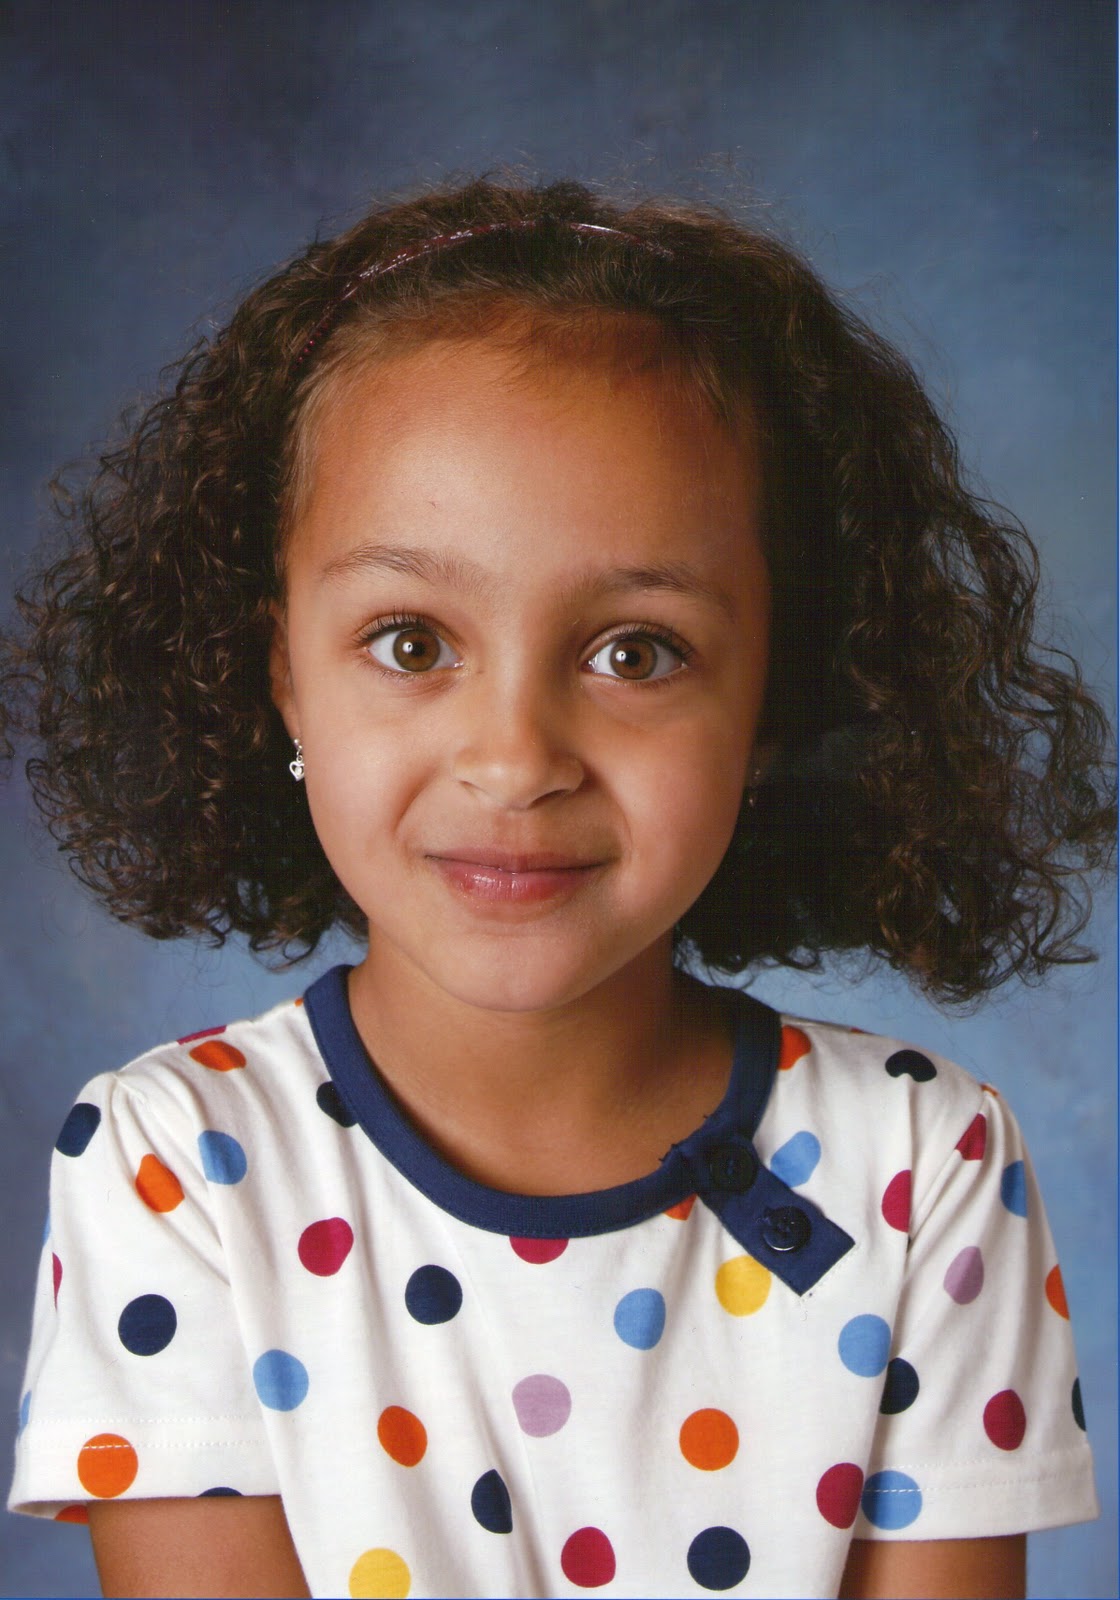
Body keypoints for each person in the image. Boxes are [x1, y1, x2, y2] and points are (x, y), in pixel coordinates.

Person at [2, 178, 1112, 1600]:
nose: (517, 759)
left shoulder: (924, 1165)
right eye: (412, 643)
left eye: (634, 652)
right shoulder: (173, 1166)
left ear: (777, 701)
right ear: (282, 674)